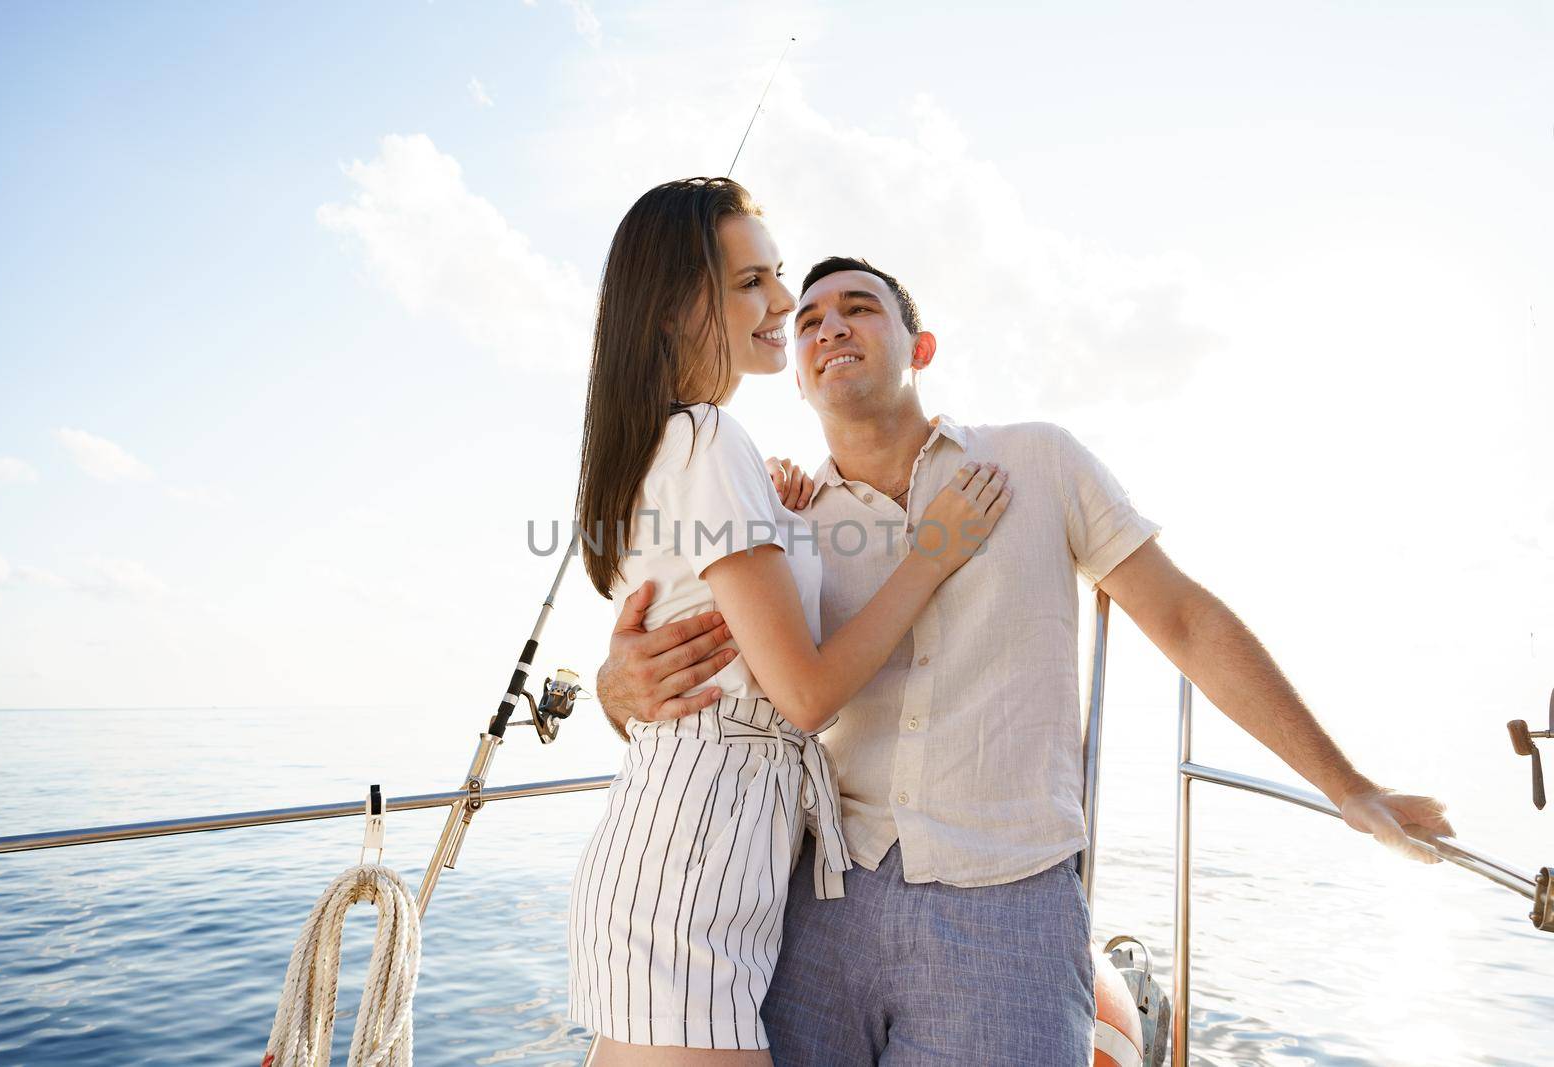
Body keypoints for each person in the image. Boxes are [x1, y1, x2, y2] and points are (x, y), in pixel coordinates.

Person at [592, 255, 1457, 1065]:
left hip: (1008, 907)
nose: (828, 327)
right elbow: (696, 671)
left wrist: (1348, 786)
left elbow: (1186, 619)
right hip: (816, 903)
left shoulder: (1038, 460)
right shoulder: (787, 517)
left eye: (859, 308)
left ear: (918, 346)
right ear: (800, 369)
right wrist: (610, 688)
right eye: (810, 317)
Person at [565, 179, 1013, 1065]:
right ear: (671, 308)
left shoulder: (677, 446)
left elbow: (705, 636)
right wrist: (935, 548)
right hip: (693, 875)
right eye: (750, 283)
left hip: (684, 856)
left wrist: (783, 524)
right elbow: (803, 694)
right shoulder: (706, 440)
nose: (783, 301)